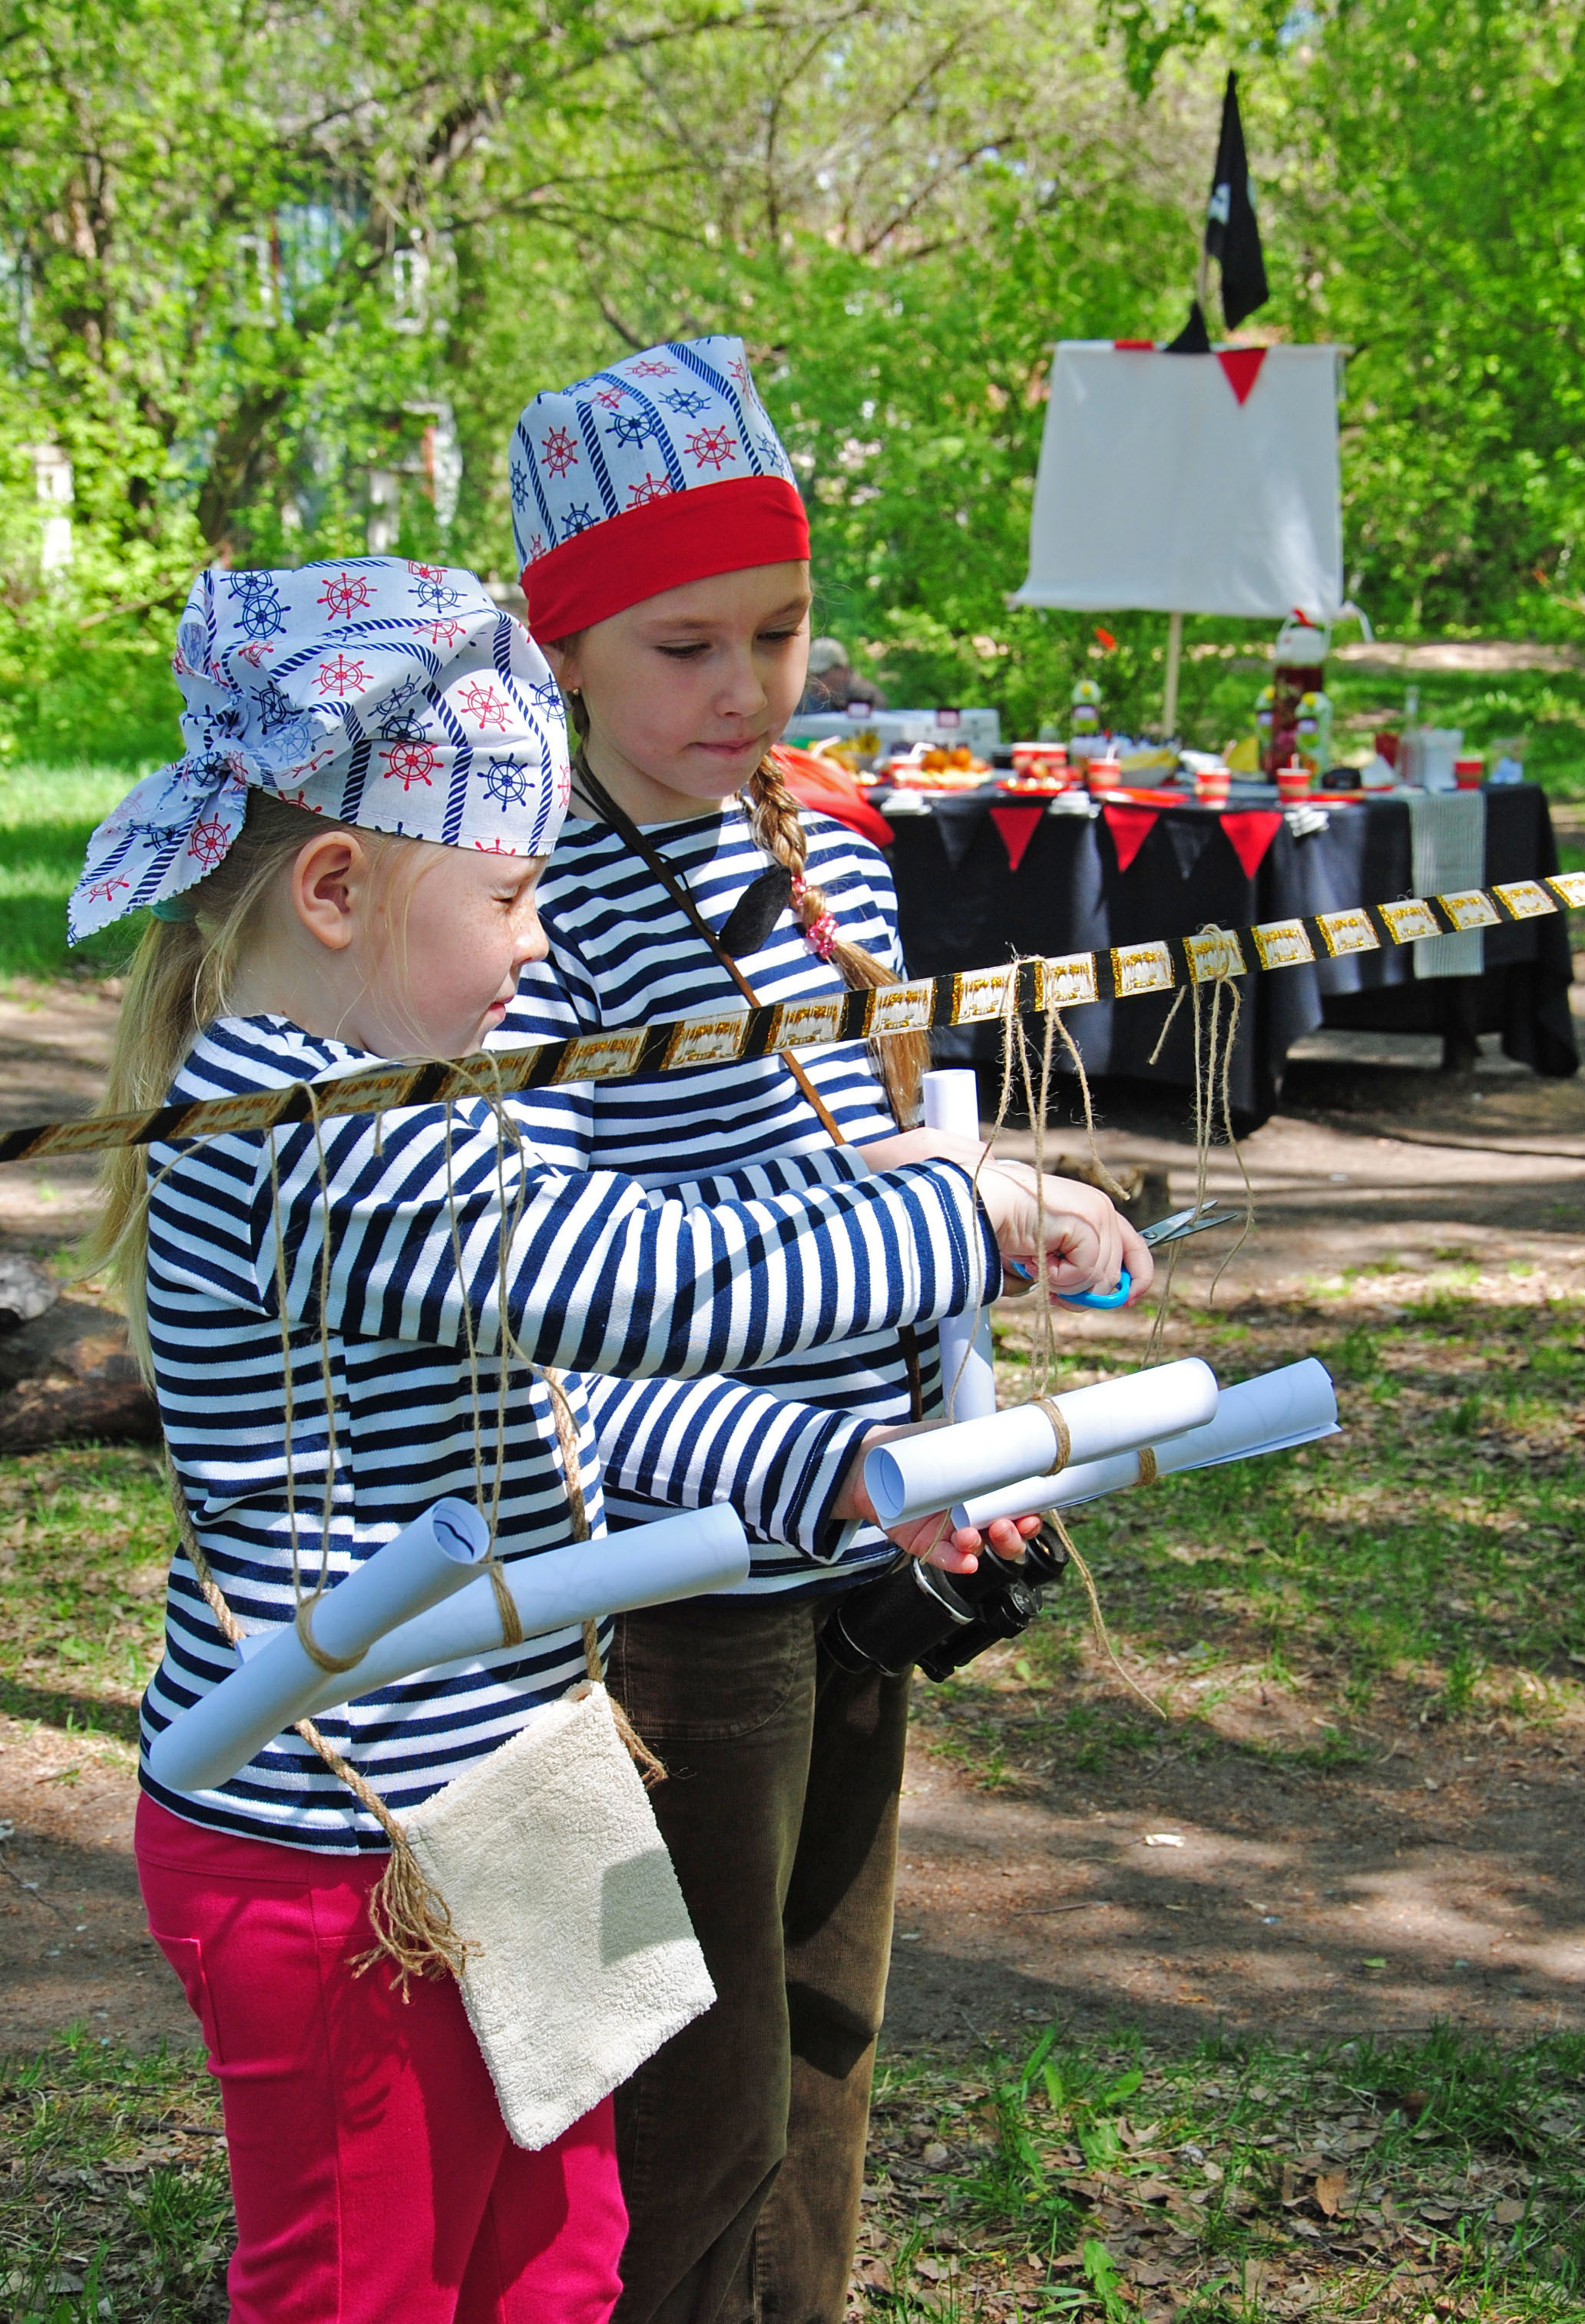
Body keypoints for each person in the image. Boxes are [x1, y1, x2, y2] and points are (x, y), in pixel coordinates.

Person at [75, 557, 1132, 2324]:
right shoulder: (294, 1129)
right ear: (335, 889)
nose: (545, 943)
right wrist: (964, 1204)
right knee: (372, 2284)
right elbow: (659, 1279)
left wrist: (832, 1475)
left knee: (566, 2248)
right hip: (337, 1837)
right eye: (510, 896)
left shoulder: (423, 1112)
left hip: (534, 1776)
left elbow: (562, 1388)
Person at [502, 339, 1153, 2324]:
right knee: (638, 2095)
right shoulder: (510, 903)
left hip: (856, 1548)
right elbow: (508, 1313)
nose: (744, 686)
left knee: (811, 2045)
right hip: (621, 1594)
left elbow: (882, 1167)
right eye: (683, 641)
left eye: (777, 630)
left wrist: (974, 1314)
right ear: (568, 645)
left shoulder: (831, 844)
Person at [796, 635, 885, 716]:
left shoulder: (867, 697)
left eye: (821, 674)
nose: (815, 682)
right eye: (812, 675)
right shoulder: (803, 700)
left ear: (842, 670)